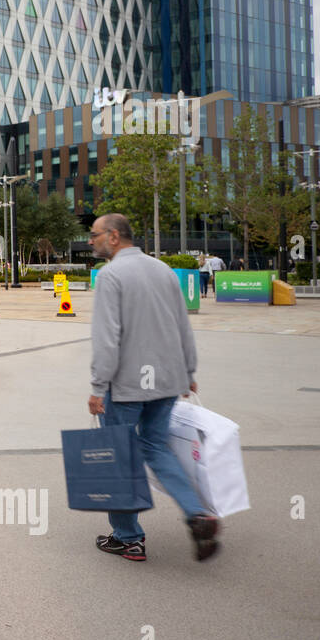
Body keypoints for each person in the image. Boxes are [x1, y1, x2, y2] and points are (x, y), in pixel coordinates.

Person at [87, 213, 220, 563]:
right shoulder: (163, 270)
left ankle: (127, 537)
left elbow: (107, 338)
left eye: (95, 235)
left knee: (119, 455)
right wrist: (188, 371)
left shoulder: (110, 276)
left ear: (114, 237)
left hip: (128, 383)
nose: (91, 240)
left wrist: (98, 387)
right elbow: (182, 326)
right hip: (167, 380)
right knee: (156, 447)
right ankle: (196, 513)